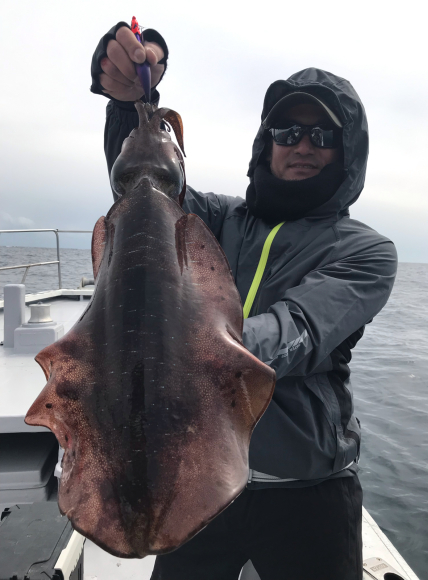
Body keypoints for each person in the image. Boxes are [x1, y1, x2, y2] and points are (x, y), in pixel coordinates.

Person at [91, 23, 397, 580]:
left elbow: (295, 333)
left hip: (306, 491)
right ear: (267, 142)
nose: (302, 145)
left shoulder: (368, 253)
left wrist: (170, 344)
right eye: (287, 130)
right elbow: (144, 188)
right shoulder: (213, 219)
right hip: (195, 475)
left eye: (323, 137)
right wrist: (129, 102)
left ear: (347, 153)